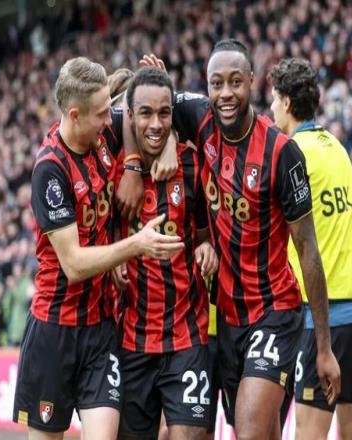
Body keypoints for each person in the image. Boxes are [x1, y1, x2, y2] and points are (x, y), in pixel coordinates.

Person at [141, 39, 340, 439]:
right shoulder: (198, 117)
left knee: (248, 431)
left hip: (274, 311)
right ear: (207, 86)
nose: (226, 93)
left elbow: (308, 250)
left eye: (235, 82)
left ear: (252, 80)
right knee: (259, 432)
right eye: (217, 84)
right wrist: (157, 149)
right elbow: (137, 110)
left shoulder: (282, 153)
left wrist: (323, 346)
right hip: (227, 318)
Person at [12, 57, 184, 440]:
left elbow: (146, 118)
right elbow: (73, 264)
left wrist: (161, 148)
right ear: (75, 115)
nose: (111, 120)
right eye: (102, 114)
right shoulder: (50, 170)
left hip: (101, 329)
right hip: (54, 331)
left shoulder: (102, 135)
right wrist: (134, 245)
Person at [269, 57, 352, 440]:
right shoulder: (337, 146)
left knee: (308, 433)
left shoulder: (291, 152)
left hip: (323, 318)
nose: (271, 108)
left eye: (273, 99)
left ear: (286, 102)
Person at [112, 67, 218, 440]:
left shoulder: (192, 164)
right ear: (130, 116)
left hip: (187, 336)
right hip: (131, 340)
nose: (156, 124)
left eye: (164, 114)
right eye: (146, 113)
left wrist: (206, 247)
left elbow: (204, 234)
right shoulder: (113, 167)